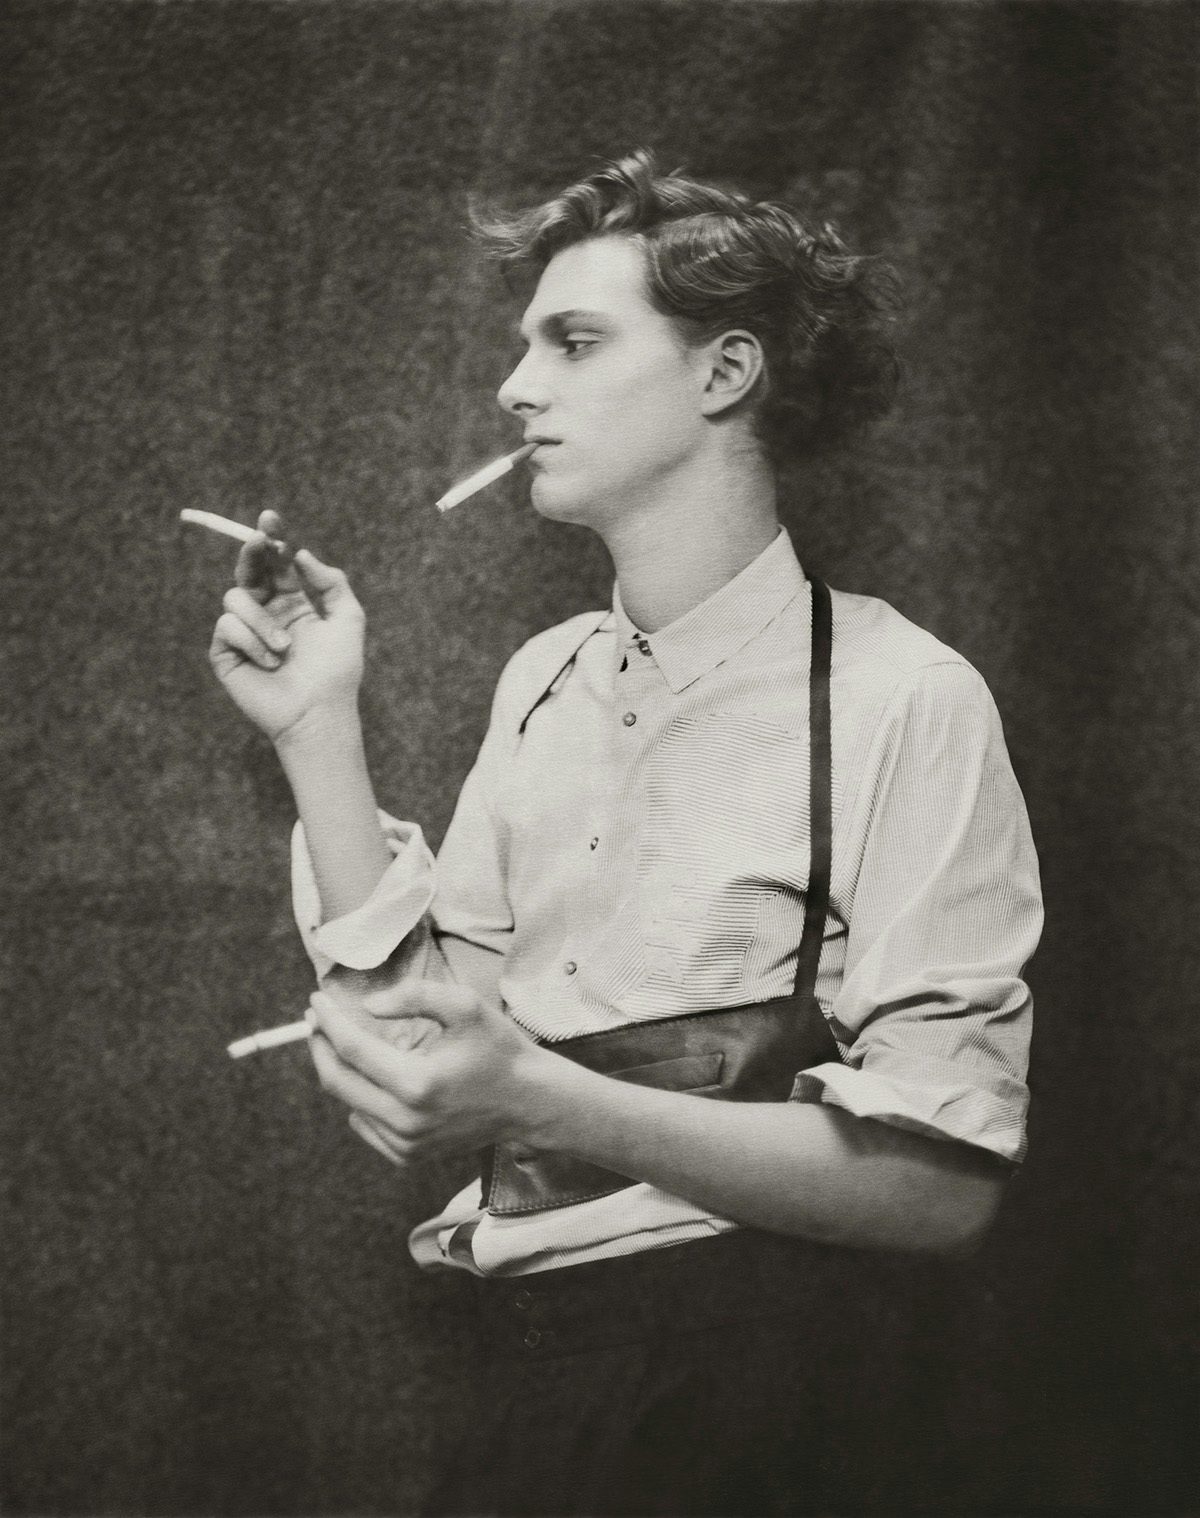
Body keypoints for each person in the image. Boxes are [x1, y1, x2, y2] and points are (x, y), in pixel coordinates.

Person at [208, 150, 1043, 1515]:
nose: (514, 385)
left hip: (769, 1402)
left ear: (725, 375)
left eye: (573, 341)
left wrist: (534, 1094)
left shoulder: (906, 698)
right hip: (524, 1388)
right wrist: (317, 727)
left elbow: (939, 1192)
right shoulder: (541, 680)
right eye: (525, 342)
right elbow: (436, 1046)